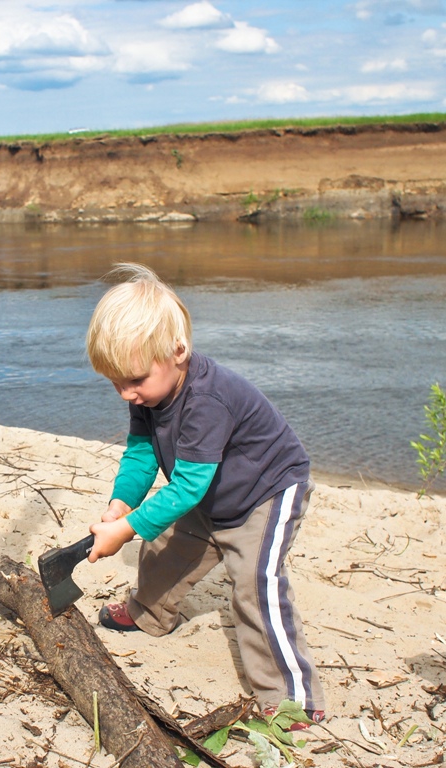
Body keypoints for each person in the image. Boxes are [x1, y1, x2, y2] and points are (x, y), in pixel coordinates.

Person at [84, 263, 325, 727]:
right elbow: (140, 455)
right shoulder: (149, 397)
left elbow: (188, 485)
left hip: (266, 491)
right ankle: (149, 614)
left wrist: (125, 530)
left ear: (178, 351)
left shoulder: (207, 399)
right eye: (115, 382)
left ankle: (293, 695)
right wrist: (120, 506)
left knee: (256, 587)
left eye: (134, 380)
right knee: (163, 551)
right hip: (210, 491)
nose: (125, 394)